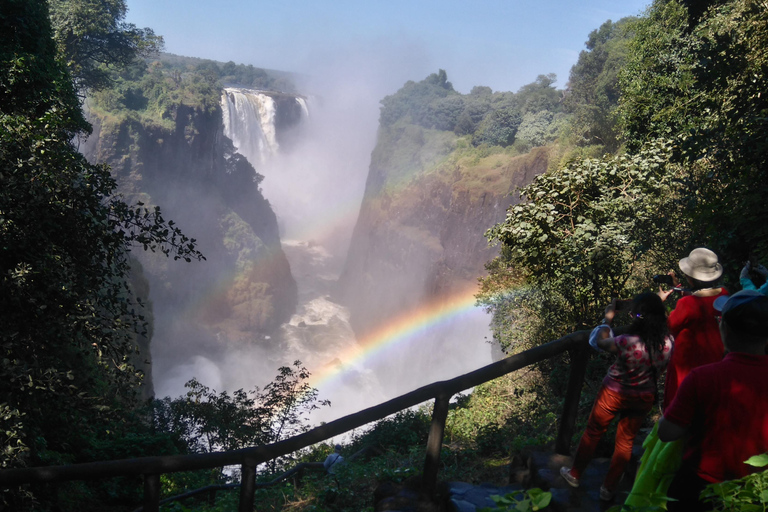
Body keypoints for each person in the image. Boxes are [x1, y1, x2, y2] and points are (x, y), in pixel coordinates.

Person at [658, 290, 768, 511]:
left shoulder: (702, 378)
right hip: (759, 487)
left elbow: (666, 432)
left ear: (724, 329)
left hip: (704, 485)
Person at [560, 293, 674, 501]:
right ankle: (609, 489)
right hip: (643, 396)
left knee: (593, 432)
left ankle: (575, 474)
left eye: (634, 313)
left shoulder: (626, 341)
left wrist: (607, 319)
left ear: (638, 316)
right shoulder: (668, 343)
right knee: (625, 442)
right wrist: (656, 304)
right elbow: (657, 318)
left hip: (613, 393)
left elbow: (602, 342)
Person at [658, 247, 728, 410]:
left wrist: (658, 303)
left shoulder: (686, 304)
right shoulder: (724, 295)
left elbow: (671, 326)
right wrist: (678, 287)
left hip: (688, 364)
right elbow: (701, 304)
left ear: (690, 277)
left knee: (683, 407)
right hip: (717, 360)